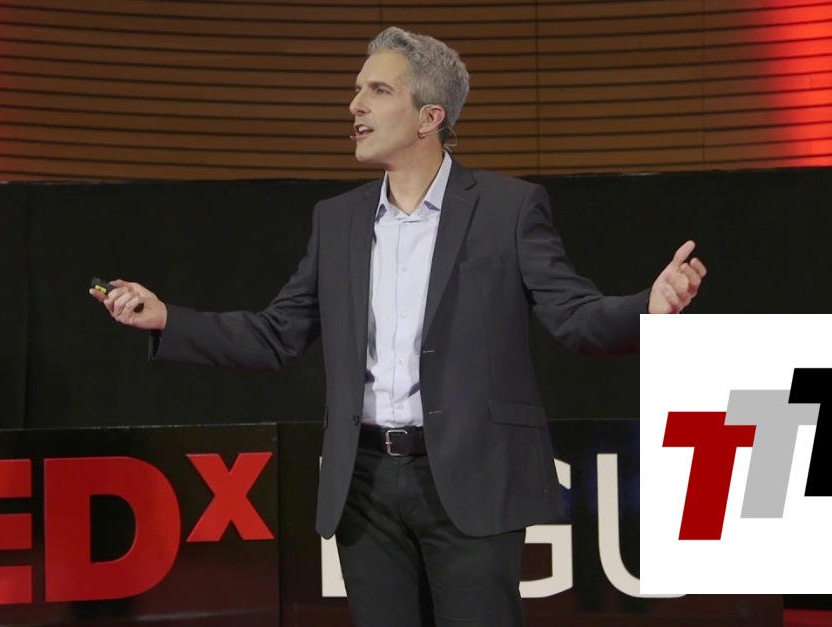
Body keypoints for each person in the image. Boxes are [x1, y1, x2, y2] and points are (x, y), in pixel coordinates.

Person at [92, 26, 706, 627]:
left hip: (471, 477)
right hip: (364, 486)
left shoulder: (508, 208)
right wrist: (168, 319)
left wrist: (647, 306)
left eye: (378, 91)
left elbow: (574, 316)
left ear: (429, 117)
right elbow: (277, 334)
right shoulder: (337, 221)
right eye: (358, 89)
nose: (354, 105)